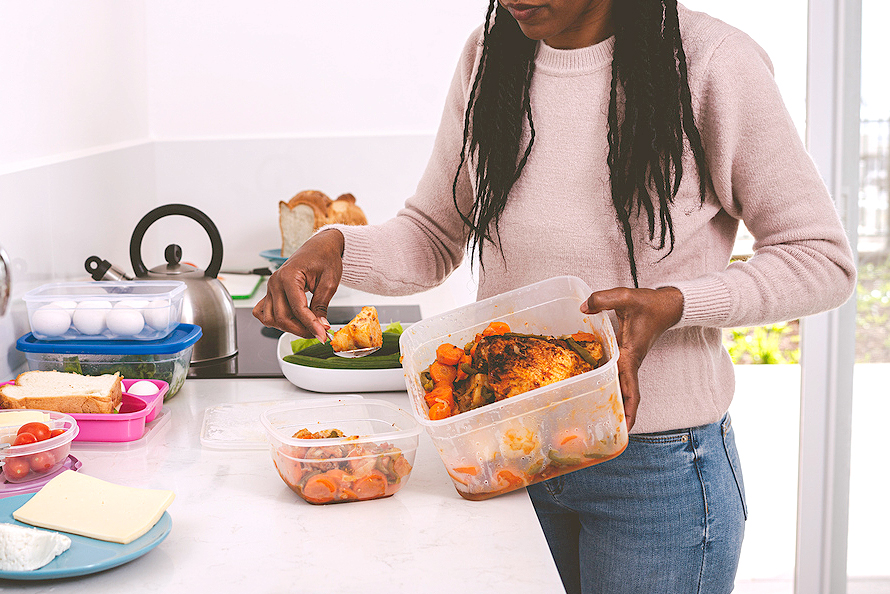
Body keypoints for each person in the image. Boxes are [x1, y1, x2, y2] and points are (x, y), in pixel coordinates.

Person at [253, 1, 856, 592]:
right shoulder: (490, 56)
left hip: (656, 474)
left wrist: (675, 303)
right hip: (503, 455)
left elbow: (820, 258)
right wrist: (337, 245)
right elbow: (434, 235)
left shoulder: (712, 63)